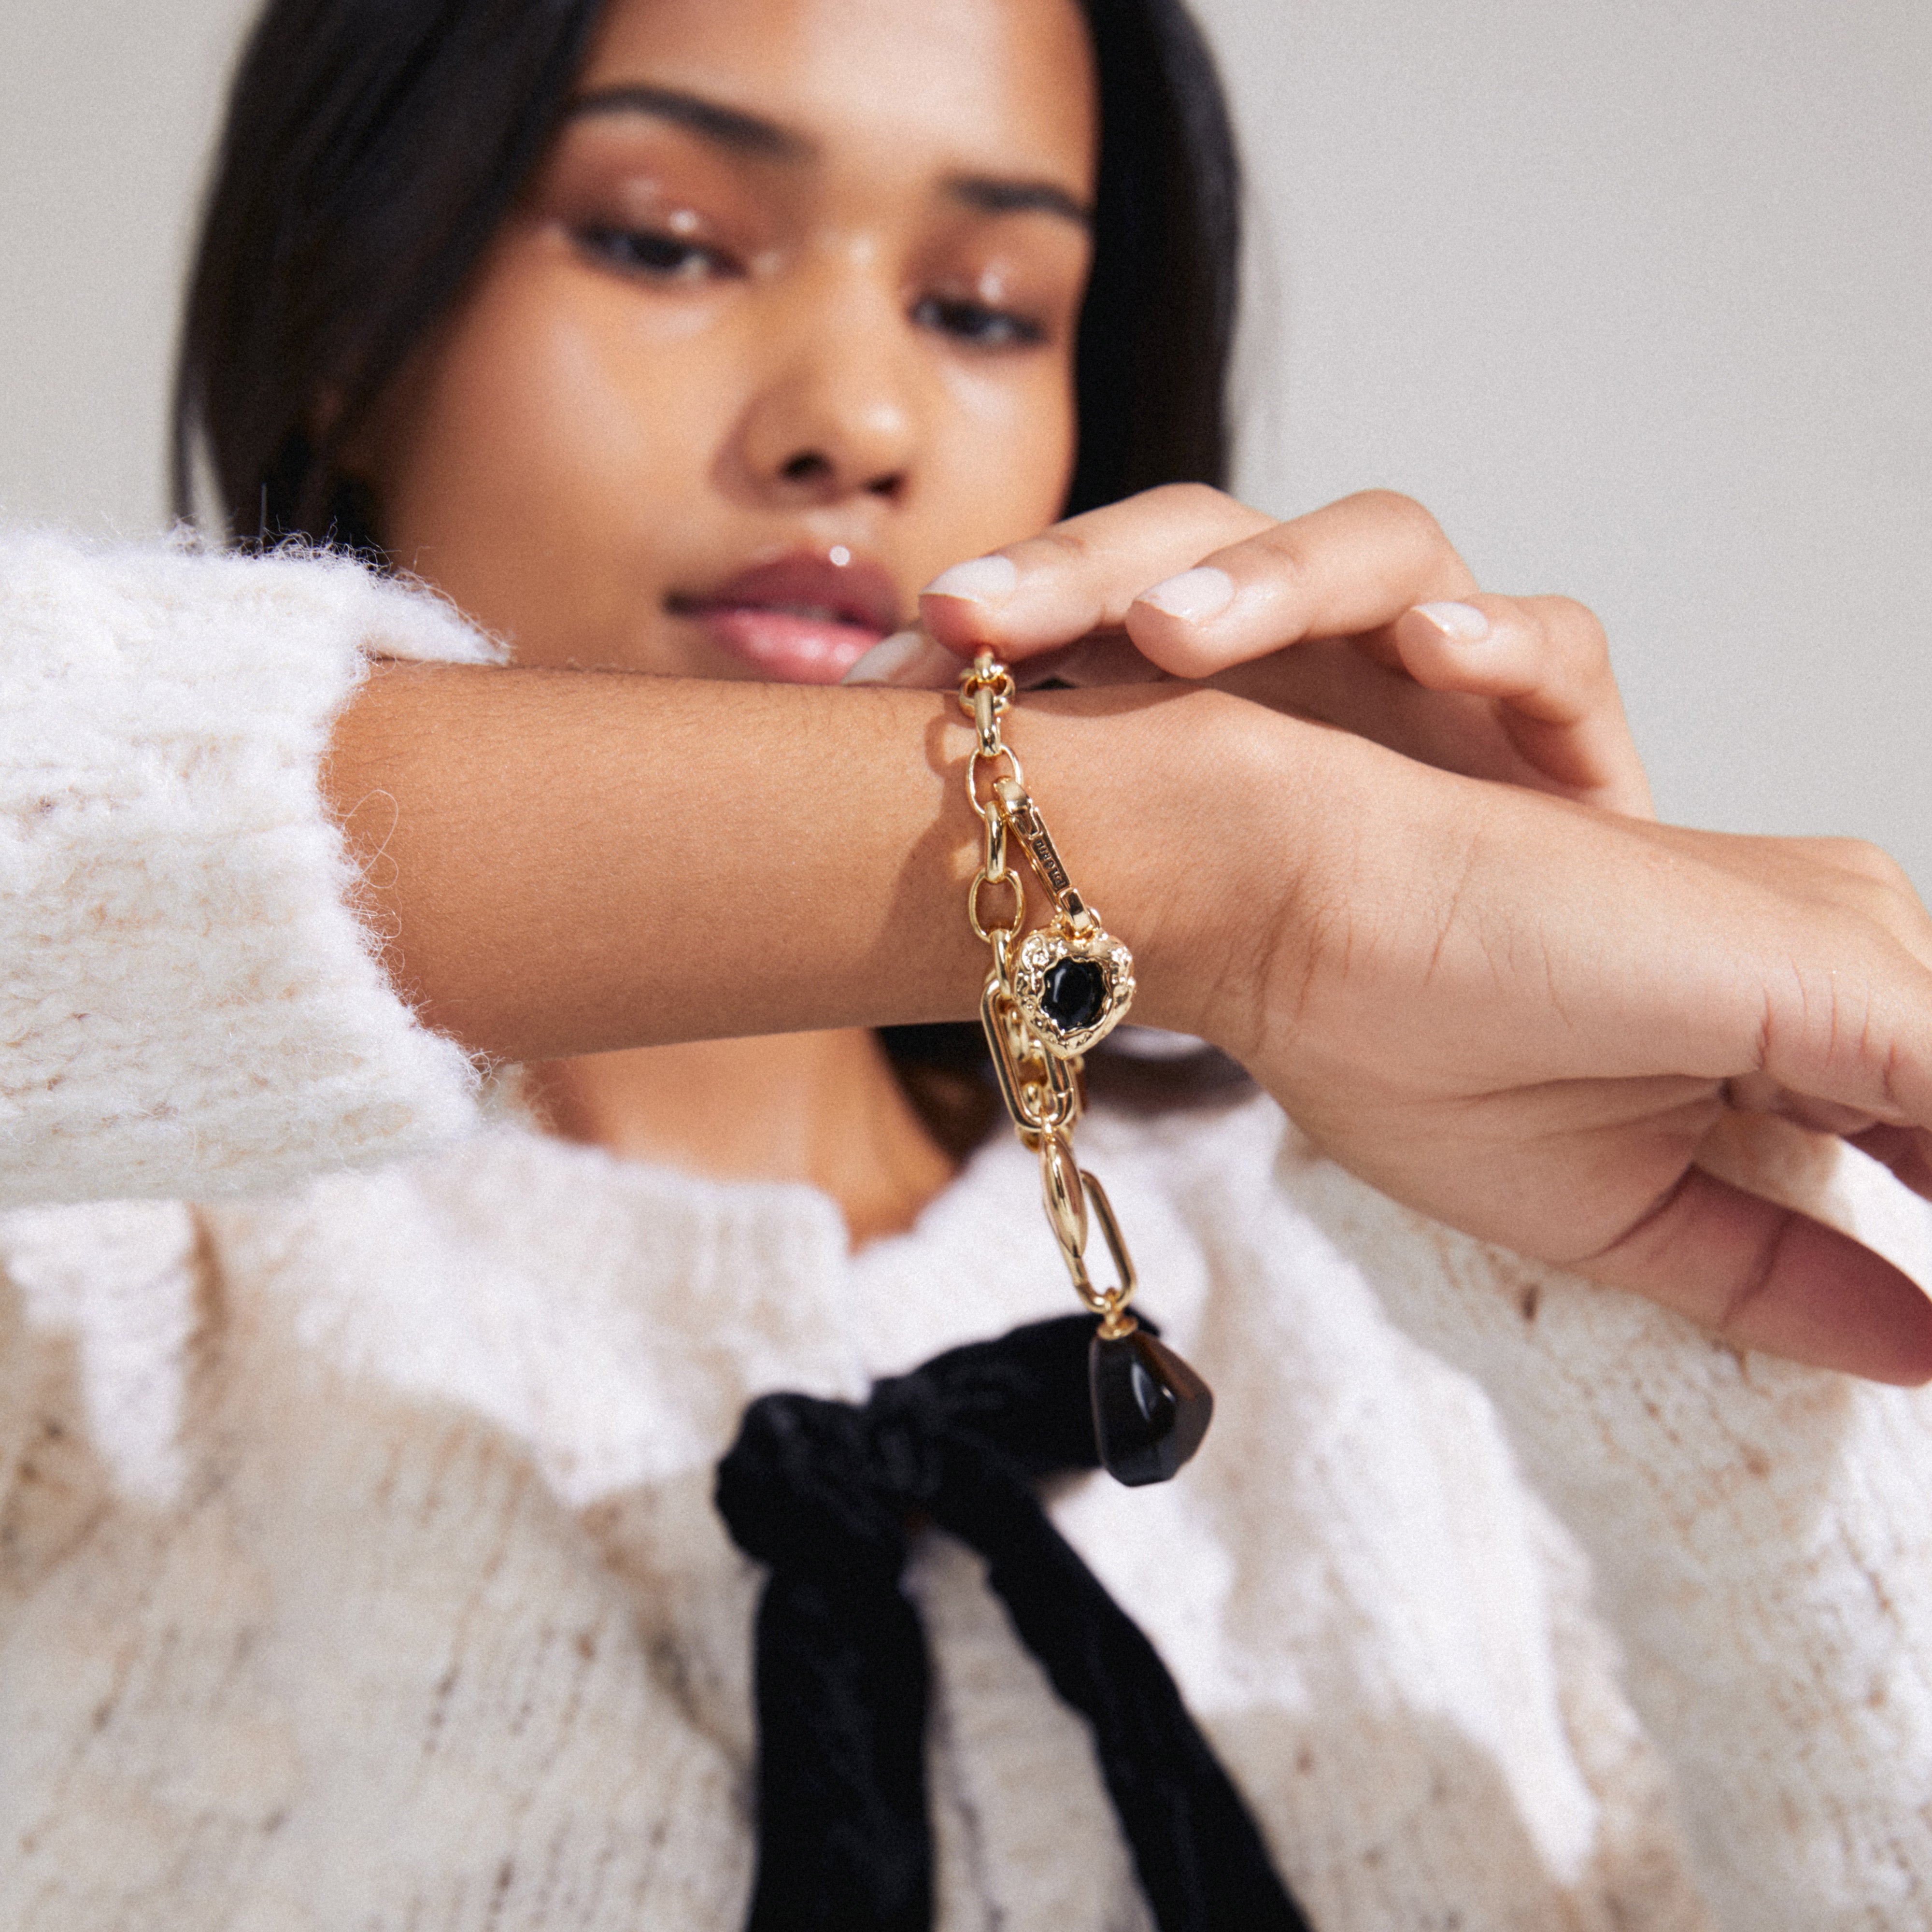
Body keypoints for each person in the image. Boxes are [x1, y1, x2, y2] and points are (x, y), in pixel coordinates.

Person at [2, 0, 1930, 1923]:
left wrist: (1686, 1314)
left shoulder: (1405, 1322)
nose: (860, 416)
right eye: (665, 240)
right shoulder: (82, 1304)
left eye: (986, 307)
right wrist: (1204, 859)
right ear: (353, 311)